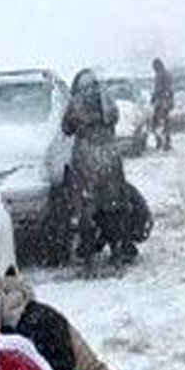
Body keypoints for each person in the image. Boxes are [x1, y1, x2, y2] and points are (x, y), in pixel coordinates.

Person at [61, 69, 138, 265]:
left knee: (85, 208)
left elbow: (66, 128)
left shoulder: (76, 102)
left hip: (85, 158)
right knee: (113, 206)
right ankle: (116, 250)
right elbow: (114, 118)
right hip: (109, 157)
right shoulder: (107, 98)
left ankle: (87, 254)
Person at [150, 58, 174, 152]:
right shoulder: (166, 74)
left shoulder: (160, 75)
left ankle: (160, 142)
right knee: (165, 123)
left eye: (154, 67)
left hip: (161, 103)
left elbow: (159, 89)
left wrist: (154, 98)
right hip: (166, 102)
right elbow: (170, 90)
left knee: (155, 124)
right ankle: (166, 142)